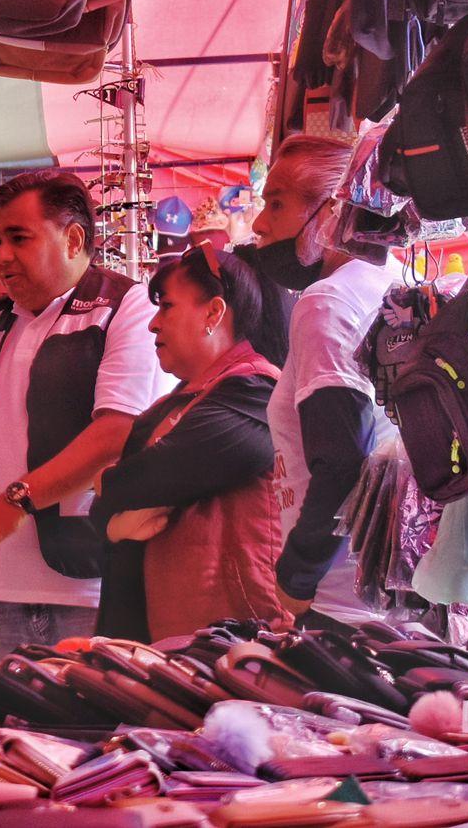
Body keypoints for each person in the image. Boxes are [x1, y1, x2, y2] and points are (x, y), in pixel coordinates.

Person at [0, 171, 166, 656]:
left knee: (93, 727)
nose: (2, 256)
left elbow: (117, 432)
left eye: (19, 238)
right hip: (4, 583)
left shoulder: (126, 307)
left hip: (93, 582)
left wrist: (12, 502)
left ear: (74, 239)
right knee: (24, 728)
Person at [90, 242, 292, 641]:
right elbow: (100, 511)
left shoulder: (255, 391)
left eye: (167, 306)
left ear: (214, 313)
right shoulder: (171, 404)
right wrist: (114, 523)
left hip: (233, 641)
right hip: (167, 638)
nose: (153, 323)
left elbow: (144, 479)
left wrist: (109, 486)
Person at [240, 135, 399, 626]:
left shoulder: (327, 302)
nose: (259, 224)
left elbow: (341, 461)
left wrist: (295, 577)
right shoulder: (389, 282)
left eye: (277, 203)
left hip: (338, 601)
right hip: (388, 585)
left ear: (330, 214)